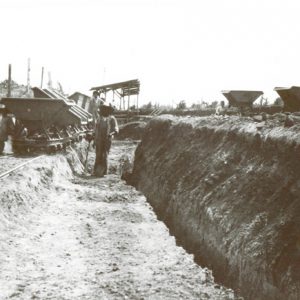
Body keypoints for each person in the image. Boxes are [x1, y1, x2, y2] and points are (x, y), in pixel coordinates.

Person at [93, 103, 119, 177]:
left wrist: (112, 133)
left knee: (105, 154)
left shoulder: (112, 119)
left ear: (108, 111)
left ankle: (104, 172)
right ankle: (96, 171)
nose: (103, 111)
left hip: (107, 139)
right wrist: (94, 137)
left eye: (104, 110)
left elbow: (116, 129)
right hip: (99, 139)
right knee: (98, 154)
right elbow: (95, 129)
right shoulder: (99, 119)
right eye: (102, 110)